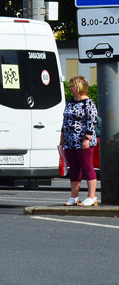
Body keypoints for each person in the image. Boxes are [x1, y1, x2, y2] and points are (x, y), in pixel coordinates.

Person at [60, 76, 100, 207]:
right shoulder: (70, 102)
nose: (70, 88)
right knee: (74, 168)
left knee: (87, 166)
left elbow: (91, 121)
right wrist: (62, 139)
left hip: (83, 140)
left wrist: (86, 138)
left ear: (78, 87)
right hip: (70, 140)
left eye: (72, 86)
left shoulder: (88, 103)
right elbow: (65, 121)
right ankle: (74, 196)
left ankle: (92, 196)